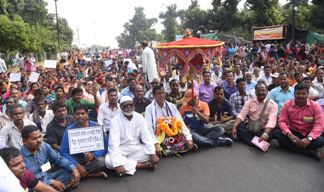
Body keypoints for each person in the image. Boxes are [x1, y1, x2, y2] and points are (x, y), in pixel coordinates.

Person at [105, 96, 159, 176]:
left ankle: (127, 163)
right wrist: (118, 164)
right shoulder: (115, 120)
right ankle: (141, 165)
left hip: (136, 148)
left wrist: (152, 153)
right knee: (108, 161)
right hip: (121, 149)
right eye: (125, 106)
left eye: (130, 105)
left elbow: (146, 136)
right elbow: (113, 143)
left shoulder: (139, 117)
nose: (128, 107)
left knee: (150, 152)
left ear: (133, 105)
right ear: (120, 107)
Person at [20, 125, 80, 191]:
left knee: (70, 171)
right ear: (24, 141)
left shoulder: (44, 146)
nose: (39, 140)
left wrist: (73, 168)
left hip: (49, 176)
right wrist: (50, 182)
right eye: (34, 139)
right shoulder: (20, 158)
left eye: (40, 136)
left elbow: (59, 159)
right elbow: (28, 182)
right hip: (36, 185)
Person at [273, 83, 324, 160]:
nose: (300, 96)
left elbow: (319, 125)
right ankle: (307, 152)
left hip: (308, 133)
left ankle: (288, 146)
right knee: (276, 132)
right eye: (298, 93)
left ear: (307, 94)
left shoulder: (315, 106)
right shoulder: (288, 104)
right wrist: (290, 135)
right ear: (294, 94)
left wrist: (309, 139)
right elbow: (281, 121)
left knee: (320, 141)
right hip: (293, 132)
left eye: (303, 94)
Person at [60, 104, 108, 179]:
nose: (80, 116)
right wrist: (77, 165)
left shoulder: (96, 127)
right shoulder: (69, 130)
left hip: (93, 159)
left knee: (103, 162)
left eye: (82, 113)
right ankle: (88, 173)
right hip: (77, 158)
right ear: (74, 115)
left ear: (87, 114)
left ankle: (79, 173)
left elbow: (105, 146)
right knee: (64, 162)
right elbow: (63, 151)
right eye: (77, 114)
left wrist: (94, 155)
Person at [145, 85, 193, 155]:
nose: (161, 95)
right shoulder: (149, 109)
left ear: (165, 93)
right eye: (158, 94)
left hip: (174, 135)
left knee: (192, 138)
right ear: (154, 95)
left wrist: (188, 138)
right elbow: (149, 128)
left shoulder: (172, 106)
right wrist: (156, 143)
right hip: (158, 137)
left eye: (162, 93)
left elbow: (180, 122)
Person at [231, 81, 278, 146]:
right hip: (251, 127)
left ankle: (253, 141)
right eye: (259, 90)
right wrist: (234, 127)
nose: (261, 92)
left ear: (267, 92)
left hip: (264, 129)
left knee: (272, 132)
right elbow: (242, 115)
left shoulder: (273, 105)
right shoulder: (249, 102)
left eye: (263, 90)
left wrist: (265, 134)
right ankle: (258, 143)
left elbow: (271, 121)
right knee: (238, 127)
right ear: (255, 92)